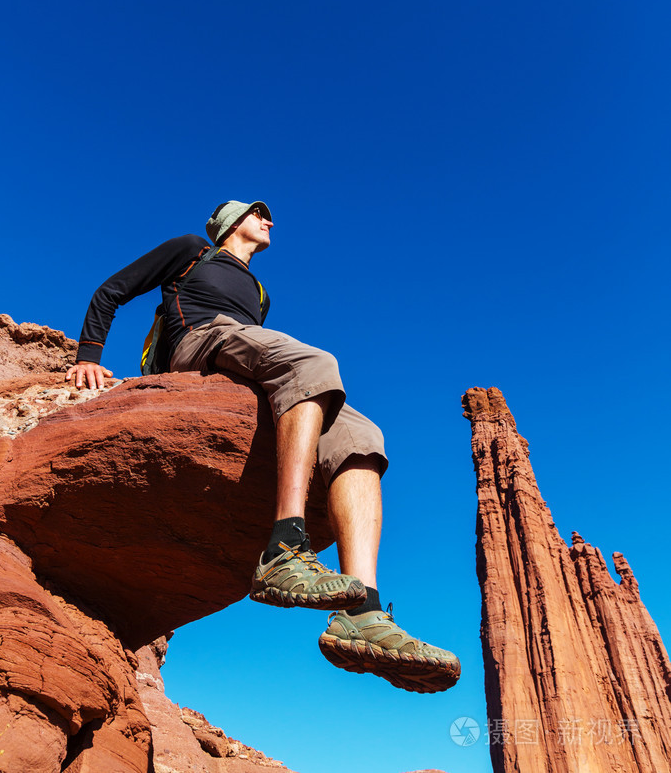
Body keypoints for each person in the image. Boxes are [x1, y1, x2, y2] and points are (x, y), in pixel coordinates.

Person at [66, 200, 460, 693]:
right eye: (257, 213)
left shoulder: (259, 292)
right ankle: (285, 549)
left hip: (247, 354)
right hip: (201, 343)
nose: (269, 220)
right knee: (316, 364)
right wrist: (88, 356)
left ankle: (363, 612)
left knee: (362, 437)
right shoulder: (193, 251)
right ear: (230, 225)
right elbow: (112, 291)